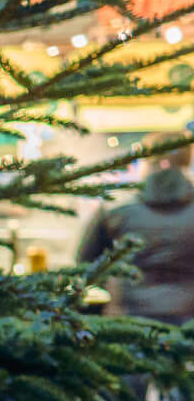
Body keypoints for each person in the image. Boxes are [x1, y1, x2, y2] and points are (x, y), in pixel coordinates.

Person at [78, 138, 194, 327]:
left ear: (148, 162)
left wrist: (115, 287)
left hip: (131, 324)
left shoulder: (115, 208)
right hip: (190, 325)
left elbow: (85, 264)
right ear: (187, 161)